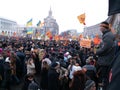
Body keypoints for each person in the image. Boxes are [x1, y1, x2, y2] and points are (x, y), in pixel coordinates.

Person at [95, 21, 115, 90]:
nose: (100, 28)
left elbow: (105, 48)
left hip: (106, 62)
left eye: (101, 26)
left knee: (103, 80)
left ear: (105, 27)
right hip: (105, 61)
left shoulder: (108, 35)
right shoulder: (106, 35)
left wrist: (96, 52)